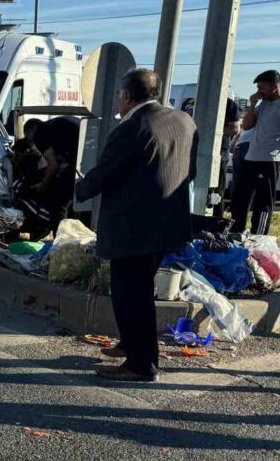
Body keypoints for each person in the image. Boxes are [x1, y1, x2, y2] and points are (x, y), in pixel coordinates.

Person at [76, 70, 197, 382]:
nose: (120, 100)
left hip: (133, 228)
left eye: (120, 95)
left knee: (132, 293)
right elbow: (190, 171)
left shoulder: (132, 127)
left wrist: (79, 186)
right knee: (138, 288)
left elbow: (103, 175)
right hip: (168, 223)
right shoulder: (184, 121)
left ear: (127, 96)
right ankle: (131, 344)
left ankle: (141, 365)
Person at [229, 70, 280, 235]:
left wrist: (277, 147)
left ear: (274, 87)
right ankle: (236, 233)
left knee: (263, 202)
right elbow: (246, 126)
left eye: (262, 87)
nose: (259, 91)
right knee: (241, 199)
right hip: (251, 157)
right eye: (258, 87)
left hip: (269, 160)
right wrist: (253, 106)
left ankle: (258, 235)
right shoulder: (262, 103)